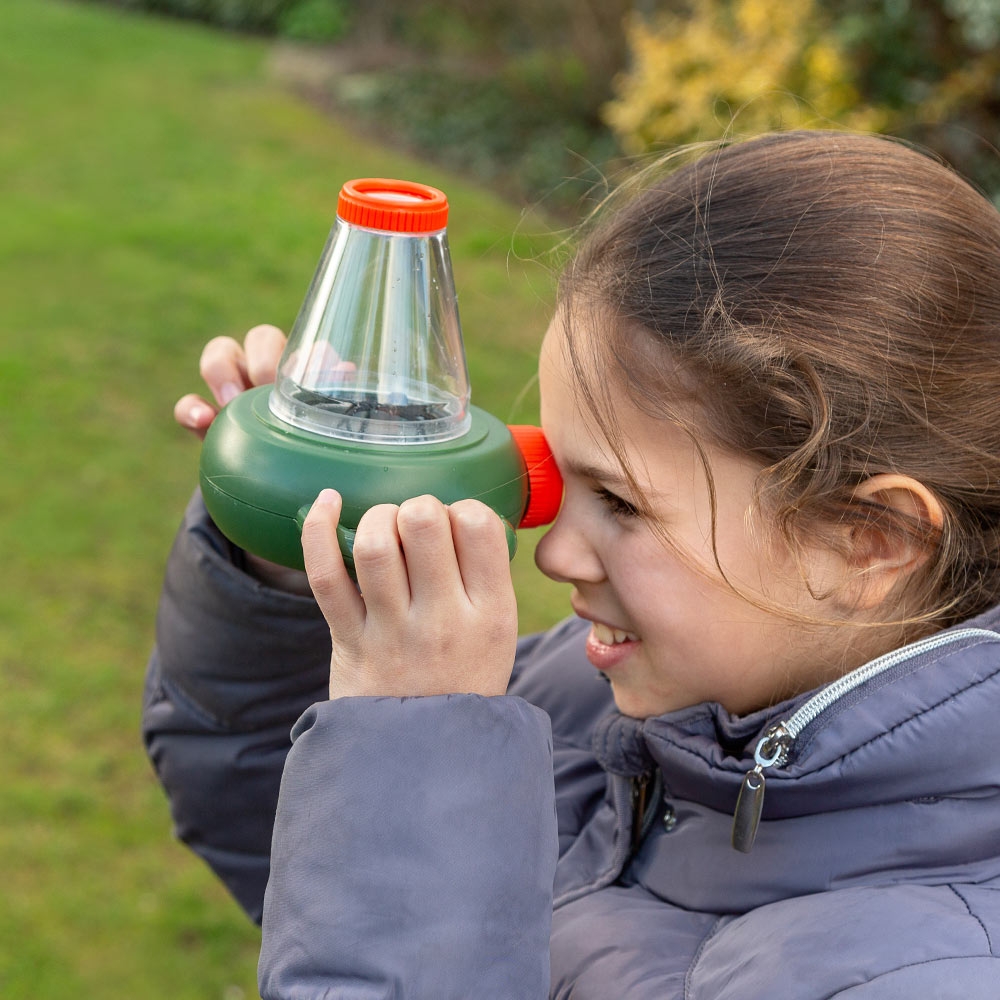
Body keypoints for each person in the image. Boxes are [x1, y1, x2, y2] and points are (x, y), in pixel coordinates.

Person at [144, 130, 1000, 998]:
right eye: (556, 476)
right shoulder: (587, 692)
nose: (551, 552)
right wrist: (296, 554)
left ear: (869, 541)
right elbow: (282, 826)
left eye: (620, 504)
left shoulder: (931, 972)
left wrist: (423, 740)